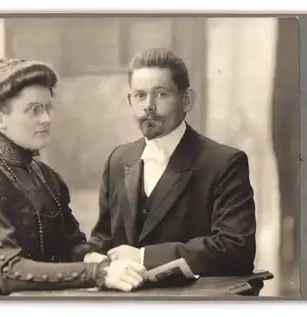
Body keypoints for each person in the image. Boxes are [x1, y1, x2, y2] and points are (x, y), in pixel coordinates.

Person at [0, 58, 146, 296]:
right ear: (0, 120)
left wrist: (96, 259)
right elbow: (9, 271)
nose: (46, 118)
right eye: (33, 110)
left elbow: (70, 243)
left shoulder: (47, 178)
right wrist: (96, 274)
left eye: (48, 107)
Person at [85, 48, 257, 278]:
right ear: (130, 100)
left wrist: (144, 257)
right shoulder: (118, 160)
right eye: (140, 95)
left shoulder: (224, 163)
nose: (149, 106)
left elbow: (236, 250)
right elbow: (103, 238)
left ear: (186, 100)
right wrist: (93, 258)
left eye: (161, 94)